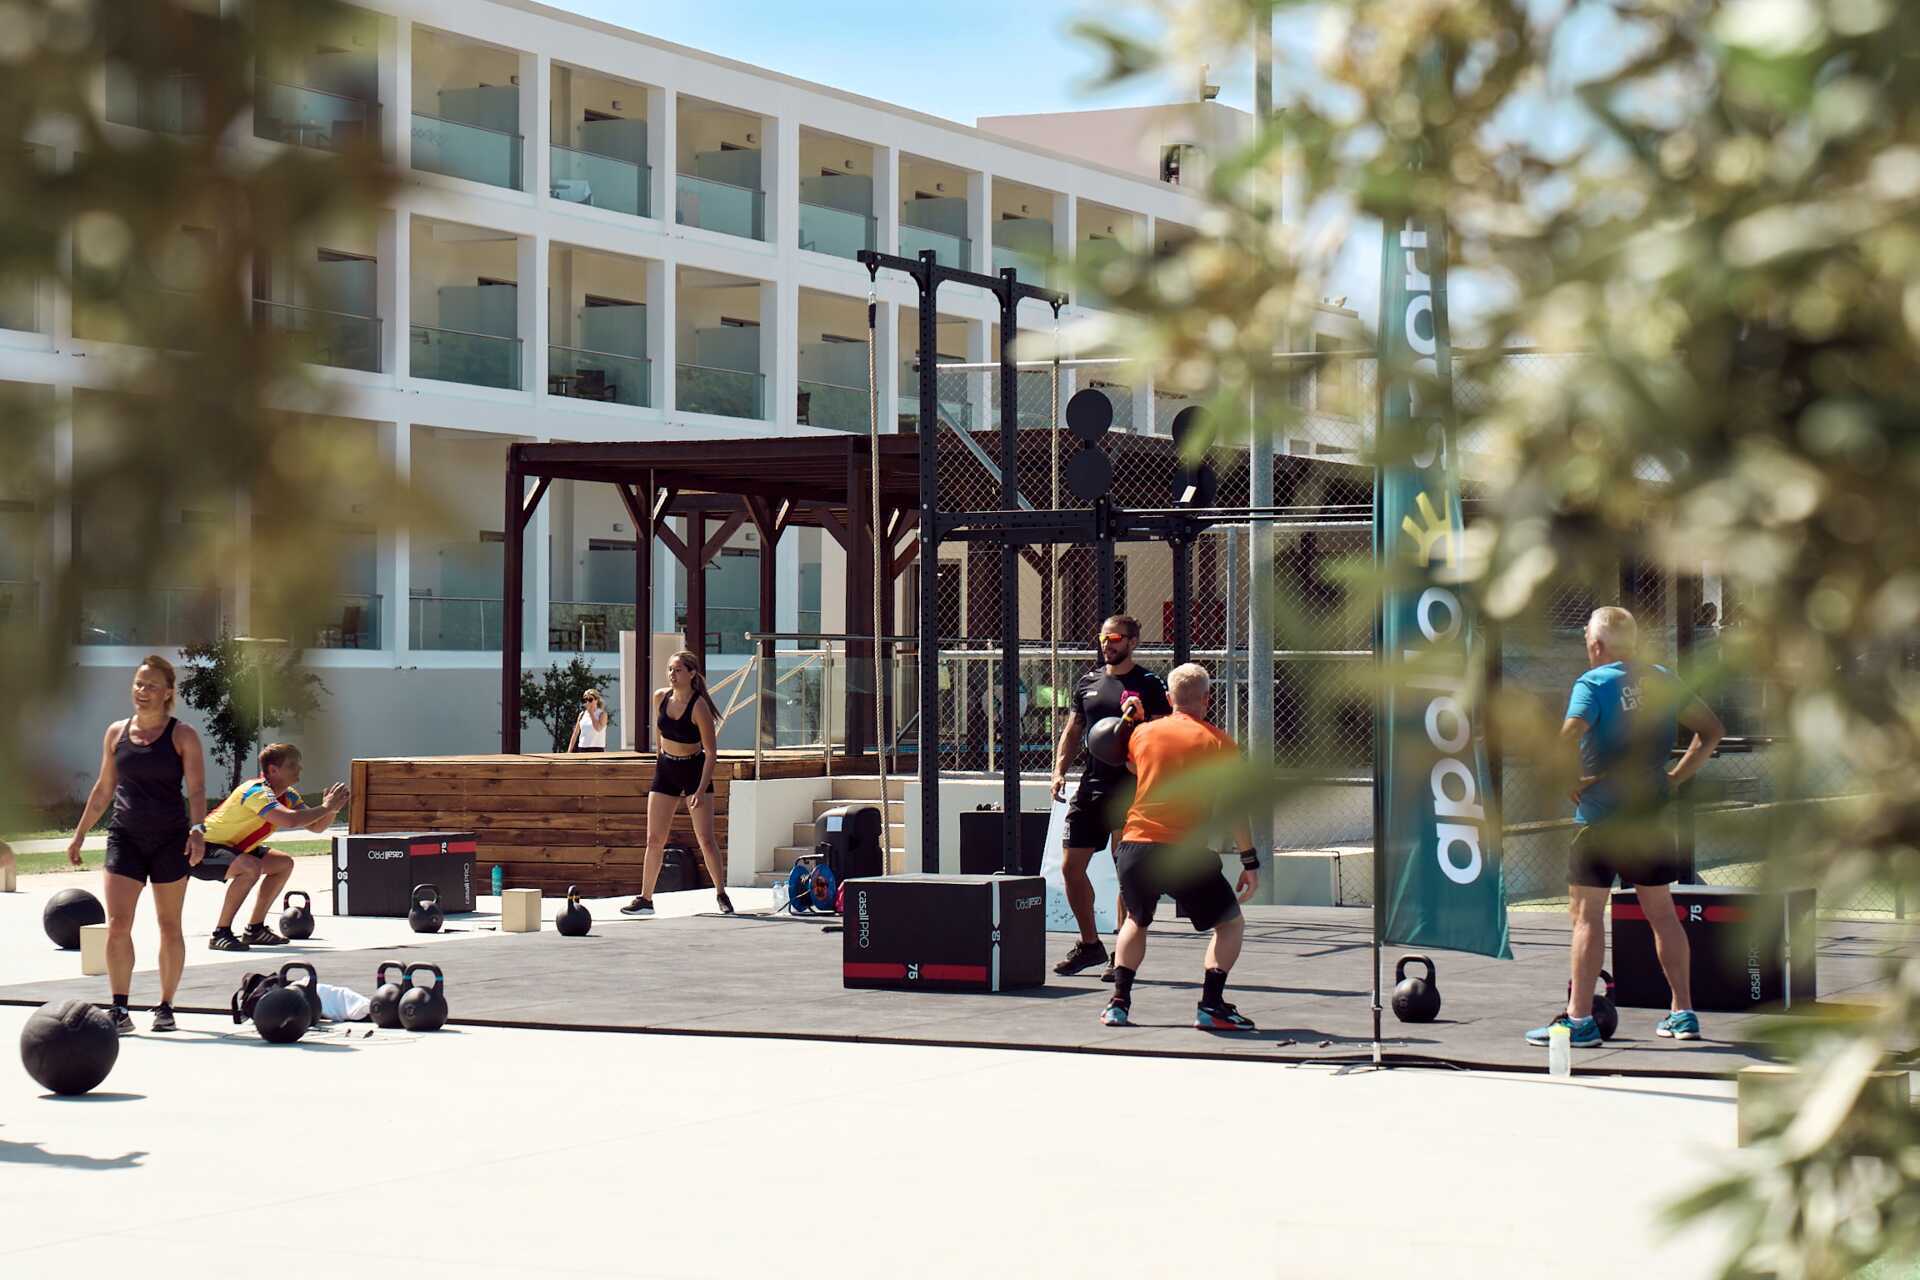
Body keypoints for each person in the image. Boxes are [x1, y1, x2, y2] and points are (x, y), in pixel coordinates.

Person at [1527, 606, 1725, 1048]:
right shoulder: (1663, 679)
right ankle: (1683, 1014)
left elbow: (1566, 738)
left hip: (1600, 821)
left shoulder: (1593, 683)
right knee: (1662, 914)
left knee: (1586, 918)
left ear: (1597, 645)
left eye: (1587, 642)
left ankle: (1579, 1021)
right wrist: (1675, 778)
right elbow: (1711, 731)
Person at [1101, 662, 1261, 1031]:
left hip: (1135, 846)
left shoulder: (1142, 734)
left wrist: (1134, 720)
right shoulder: (1220, 743)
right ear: (1207, 698)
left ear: (1170, 698)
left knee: (1136, 920)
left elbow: (1132, 767)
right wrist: (1249, 861)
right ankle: (1211, 1006)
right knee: (1230, 923)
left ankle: (1118, 1004)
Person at [65, 655, 208, 1034]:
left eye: (151, 686)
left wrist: (198, 830)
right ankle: (119, 1008)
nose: (142, 691)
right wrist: (80, 833)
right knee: (117, 925)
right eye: (138, 684)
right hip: (125, 837)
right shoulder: (116, 733)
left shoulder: (183, 736)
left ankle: (166, 1006)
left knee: (169, 924)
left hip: (170, 840)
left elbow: (196, 790)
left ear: (168, 693)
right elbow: (103, 789)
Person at [1049, 614, 1171, 978]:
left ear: (1132, 642)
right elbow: (1074, 729)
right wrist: (1058, 770)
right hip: (1091, 786)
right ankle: (1090, 945)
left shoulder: (1149, 683)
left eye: (1115, 638)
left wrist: (1138, 724)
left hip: (1131, 788)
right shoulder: (1088, 682)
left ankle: (1122, 953)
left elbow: (1163, 734)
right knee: (1071, 869)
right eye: (1103, 638)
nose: (1107, 644)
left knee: (1125, 871)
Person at [194, 742, 349, 950]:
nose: (299, 768)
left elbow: (316, 826)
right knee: (250, 867)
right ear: (273, 770)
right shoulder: (256, 792)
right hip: (201, 849)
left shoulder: (289, 795)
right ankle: (220, 933)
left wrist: (332, 809)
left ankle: (254, 929)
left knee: (283, 864)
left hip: (236, 849)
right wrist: (325, 807)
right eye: (292, 765)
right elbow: (290, 820)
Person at [622, 650, 731, 917]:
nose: (672, 674)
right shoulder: (660, 697)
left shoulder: (699, 706)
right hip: (667, 768)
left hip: (694, 769)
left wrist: (700, 789)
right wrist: (660, 763)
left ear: (692, 673)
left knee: (705, 839)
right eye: (670, 669)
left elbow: (711, 752)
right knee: (654, 838)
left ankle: (721, 893)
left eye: (678, 670)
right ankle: (645, 898)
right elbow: (660, 736)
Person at [567, 688, 608, 753]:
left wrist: (591, 713)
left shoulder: (602, 714)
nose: (587, 702)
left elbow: (598, 729)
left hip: (597, 749)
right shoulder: (582, 714)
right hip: (582, 748)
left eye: (590, 699)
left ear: (596, 700)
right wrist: (569, 751)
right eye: (585, 700)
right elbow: (575, 734)